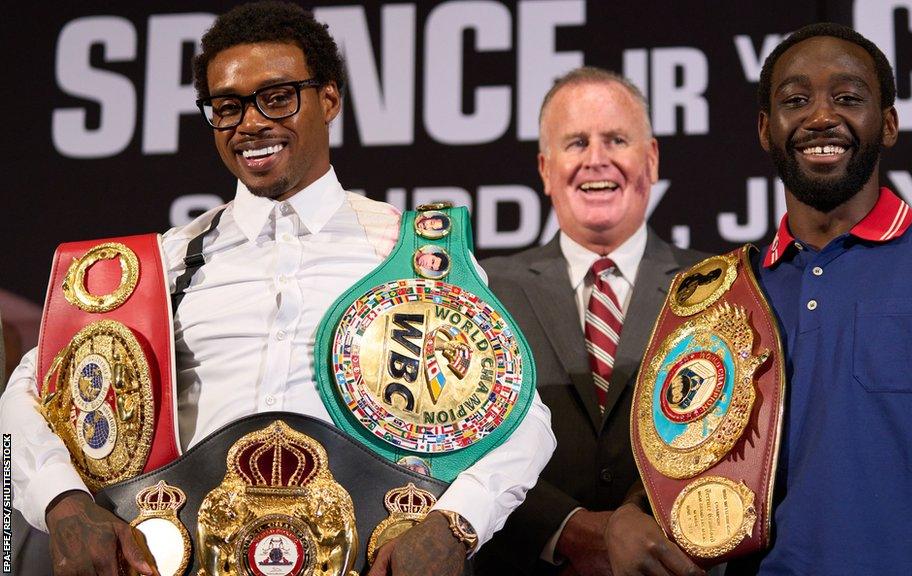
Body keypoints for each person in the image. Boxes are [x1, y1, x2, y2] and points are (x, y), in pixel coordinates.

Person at [0, 3, 555, 575]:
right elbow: (28, 393)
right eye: (227, 107)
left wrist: (455, 523)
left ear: (329, 100)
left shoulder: (409, 253)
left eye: (278, 97)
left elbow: (524, 420)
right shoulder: (166, 261)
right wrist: (62, 503)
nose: (251, 123)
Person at [604, 22, 912, 576]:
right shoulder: (722, 293)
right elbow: (684, 455)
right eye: (795, 100)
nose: (820, 116)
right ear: (765, 129)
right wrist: (631, 513)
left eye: (848, 98)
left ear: (889, 123)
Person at [474, 67, 705, 576]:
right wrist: (569, 529)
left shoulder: (716, 287)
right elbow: (462, 445)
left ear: (651, 159)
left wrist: (639, 527)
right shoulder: (484, 291)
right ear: (545, 167)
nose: (596, 159)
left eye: (616, 139)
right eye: (576, 142)